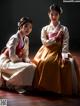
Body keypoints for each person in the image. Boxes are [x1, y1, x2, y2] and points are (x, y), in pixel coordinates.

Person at [32, 4, 80, 95]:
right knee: (43, 62)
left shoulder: (64, 28)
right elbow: (44, 42)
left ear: (59, 15)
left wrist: (64, 55)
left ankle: (57, 88)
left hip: (59, 50)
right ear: (48, 14)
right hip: (47, 50)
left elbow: (65, 43)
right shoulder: (45, 29)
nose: (54, 16)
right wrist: (55, 38)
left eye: (56, 14)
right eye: (52, 14)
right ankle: (45, 87)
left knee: (66, 63)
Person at [0, 17, 36, 93]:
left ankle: (18, 84)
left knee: (33, 66)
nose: (28, 29)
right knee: (29, 67)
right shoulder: (14, 38)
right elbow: (12, 56)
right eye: (26, 26)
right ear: (20, 26)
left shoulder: (26, 39)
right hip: (6, 61)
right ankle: (11, 83)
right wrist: (22, 61)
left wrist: (26, 60)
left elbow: (25, 54)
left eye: (30, 27)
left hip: (16, 60)